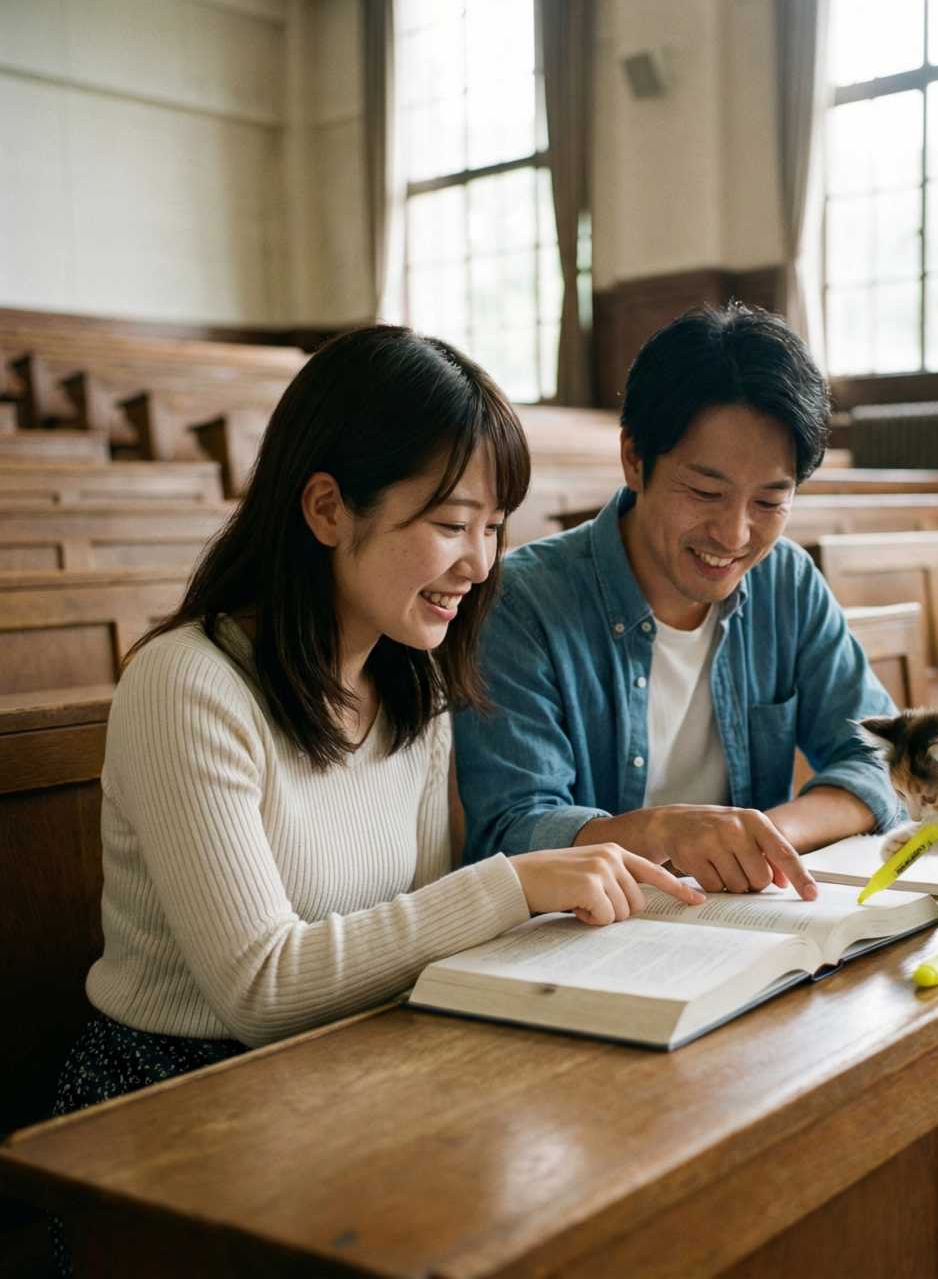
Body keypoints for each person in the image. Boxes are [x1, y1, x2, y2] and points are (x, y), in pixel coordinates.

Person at [54, 326, 704, 1122]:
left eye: (493, 525)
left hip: (350, 1065)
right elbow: (260, 989)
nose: (480, 563)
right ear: (327, 508)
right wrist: (512, 885)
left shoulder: (413, 683)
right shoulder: (187, 684)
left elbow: (416, 931)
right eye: (450, 524)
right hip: (177, 1098)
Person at [455, 304, 899, 897]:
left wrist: (762, 837)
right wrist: (662, 832)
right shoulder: (520, 603)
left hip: (738, 918)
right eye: (705, 491)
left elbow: (881, 758)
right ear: (634, 459)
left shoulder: (785, 581)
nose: (735, 536)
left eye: (769, 503)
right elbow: (510, 828)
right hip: (585, 935)